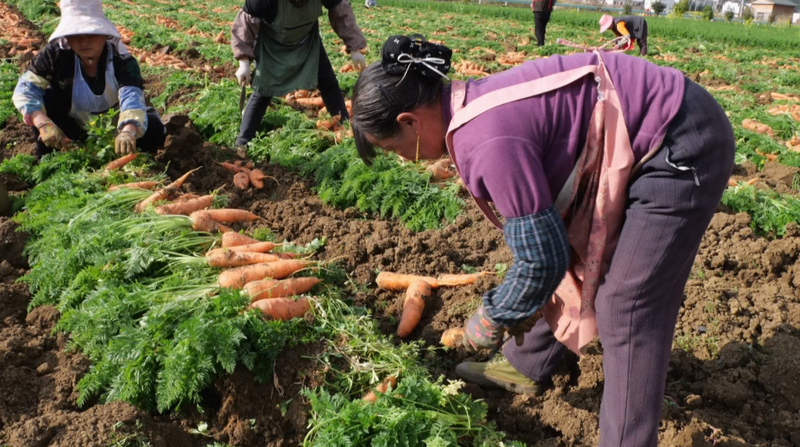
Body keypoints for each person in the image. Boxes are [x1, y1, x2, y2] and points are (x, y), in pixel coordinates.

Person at [351, 34, 734, 447]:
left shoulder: (487, 142)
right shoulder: (469, 110)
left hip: (679, 142)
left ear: (410, 122)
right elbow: (549, 244)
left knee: (627, 304)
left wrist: (495, 315)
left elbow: (540, 260)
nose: (403, 159)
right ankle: (528, 365)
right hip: (647, 128)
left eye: (393, 149)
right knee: (568, 246)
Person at [12, 0, 165, 158]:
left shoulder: (122, 61)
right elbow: (26, 90)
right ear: (67, 37)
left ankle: (129, 152)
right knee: (47, 99)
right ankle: (50, 159)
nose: (84, 41)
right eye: (76, 35)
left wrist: (128, 132)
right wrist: (43, 123)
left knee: (154, 131)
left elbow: (131, 96)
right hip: (71, 127)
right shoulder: (54, 56)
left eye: (91, 33)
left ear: (103, 34)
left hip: (115, 125)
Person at [231, 0, 367, 150]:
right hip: (272, 46)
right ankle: (242, 143)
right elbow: (246, 24)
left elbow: (340, 11)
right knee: (263, 91)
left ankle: (345, 127)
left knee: (328, 82)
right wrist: (243, 62)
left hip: (307, 41)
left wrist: (354, 48)